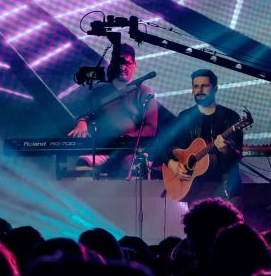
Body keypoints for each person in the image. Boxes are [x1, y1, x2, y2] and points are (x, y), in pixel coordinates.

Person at [67, 44, 157, 175]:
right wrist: (82, 123)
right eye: (118, 63)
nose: (122, 67)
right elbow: (87, 114)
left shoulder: (144, 92)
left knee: (137, 166)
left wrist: (125, 138)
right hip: (104, 151)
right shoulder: (99, 93)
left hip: (130, 152)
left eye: (127, 63)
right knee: (83, 163)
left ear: (134, 64)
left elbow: (151, 128)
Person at [163, 70, 244, 206]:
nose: (199, 90)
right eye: (196, 86)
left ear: (215, 89)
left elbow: (238, 154)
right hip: (194, 188)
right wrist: (171, 163)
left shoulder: (231, 117)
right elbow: (162, 146)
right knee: (197, 227)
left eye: (204, 86)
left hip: (226, 187)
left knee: (230, 226)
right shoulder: (185, 117)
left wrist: (225, 150)